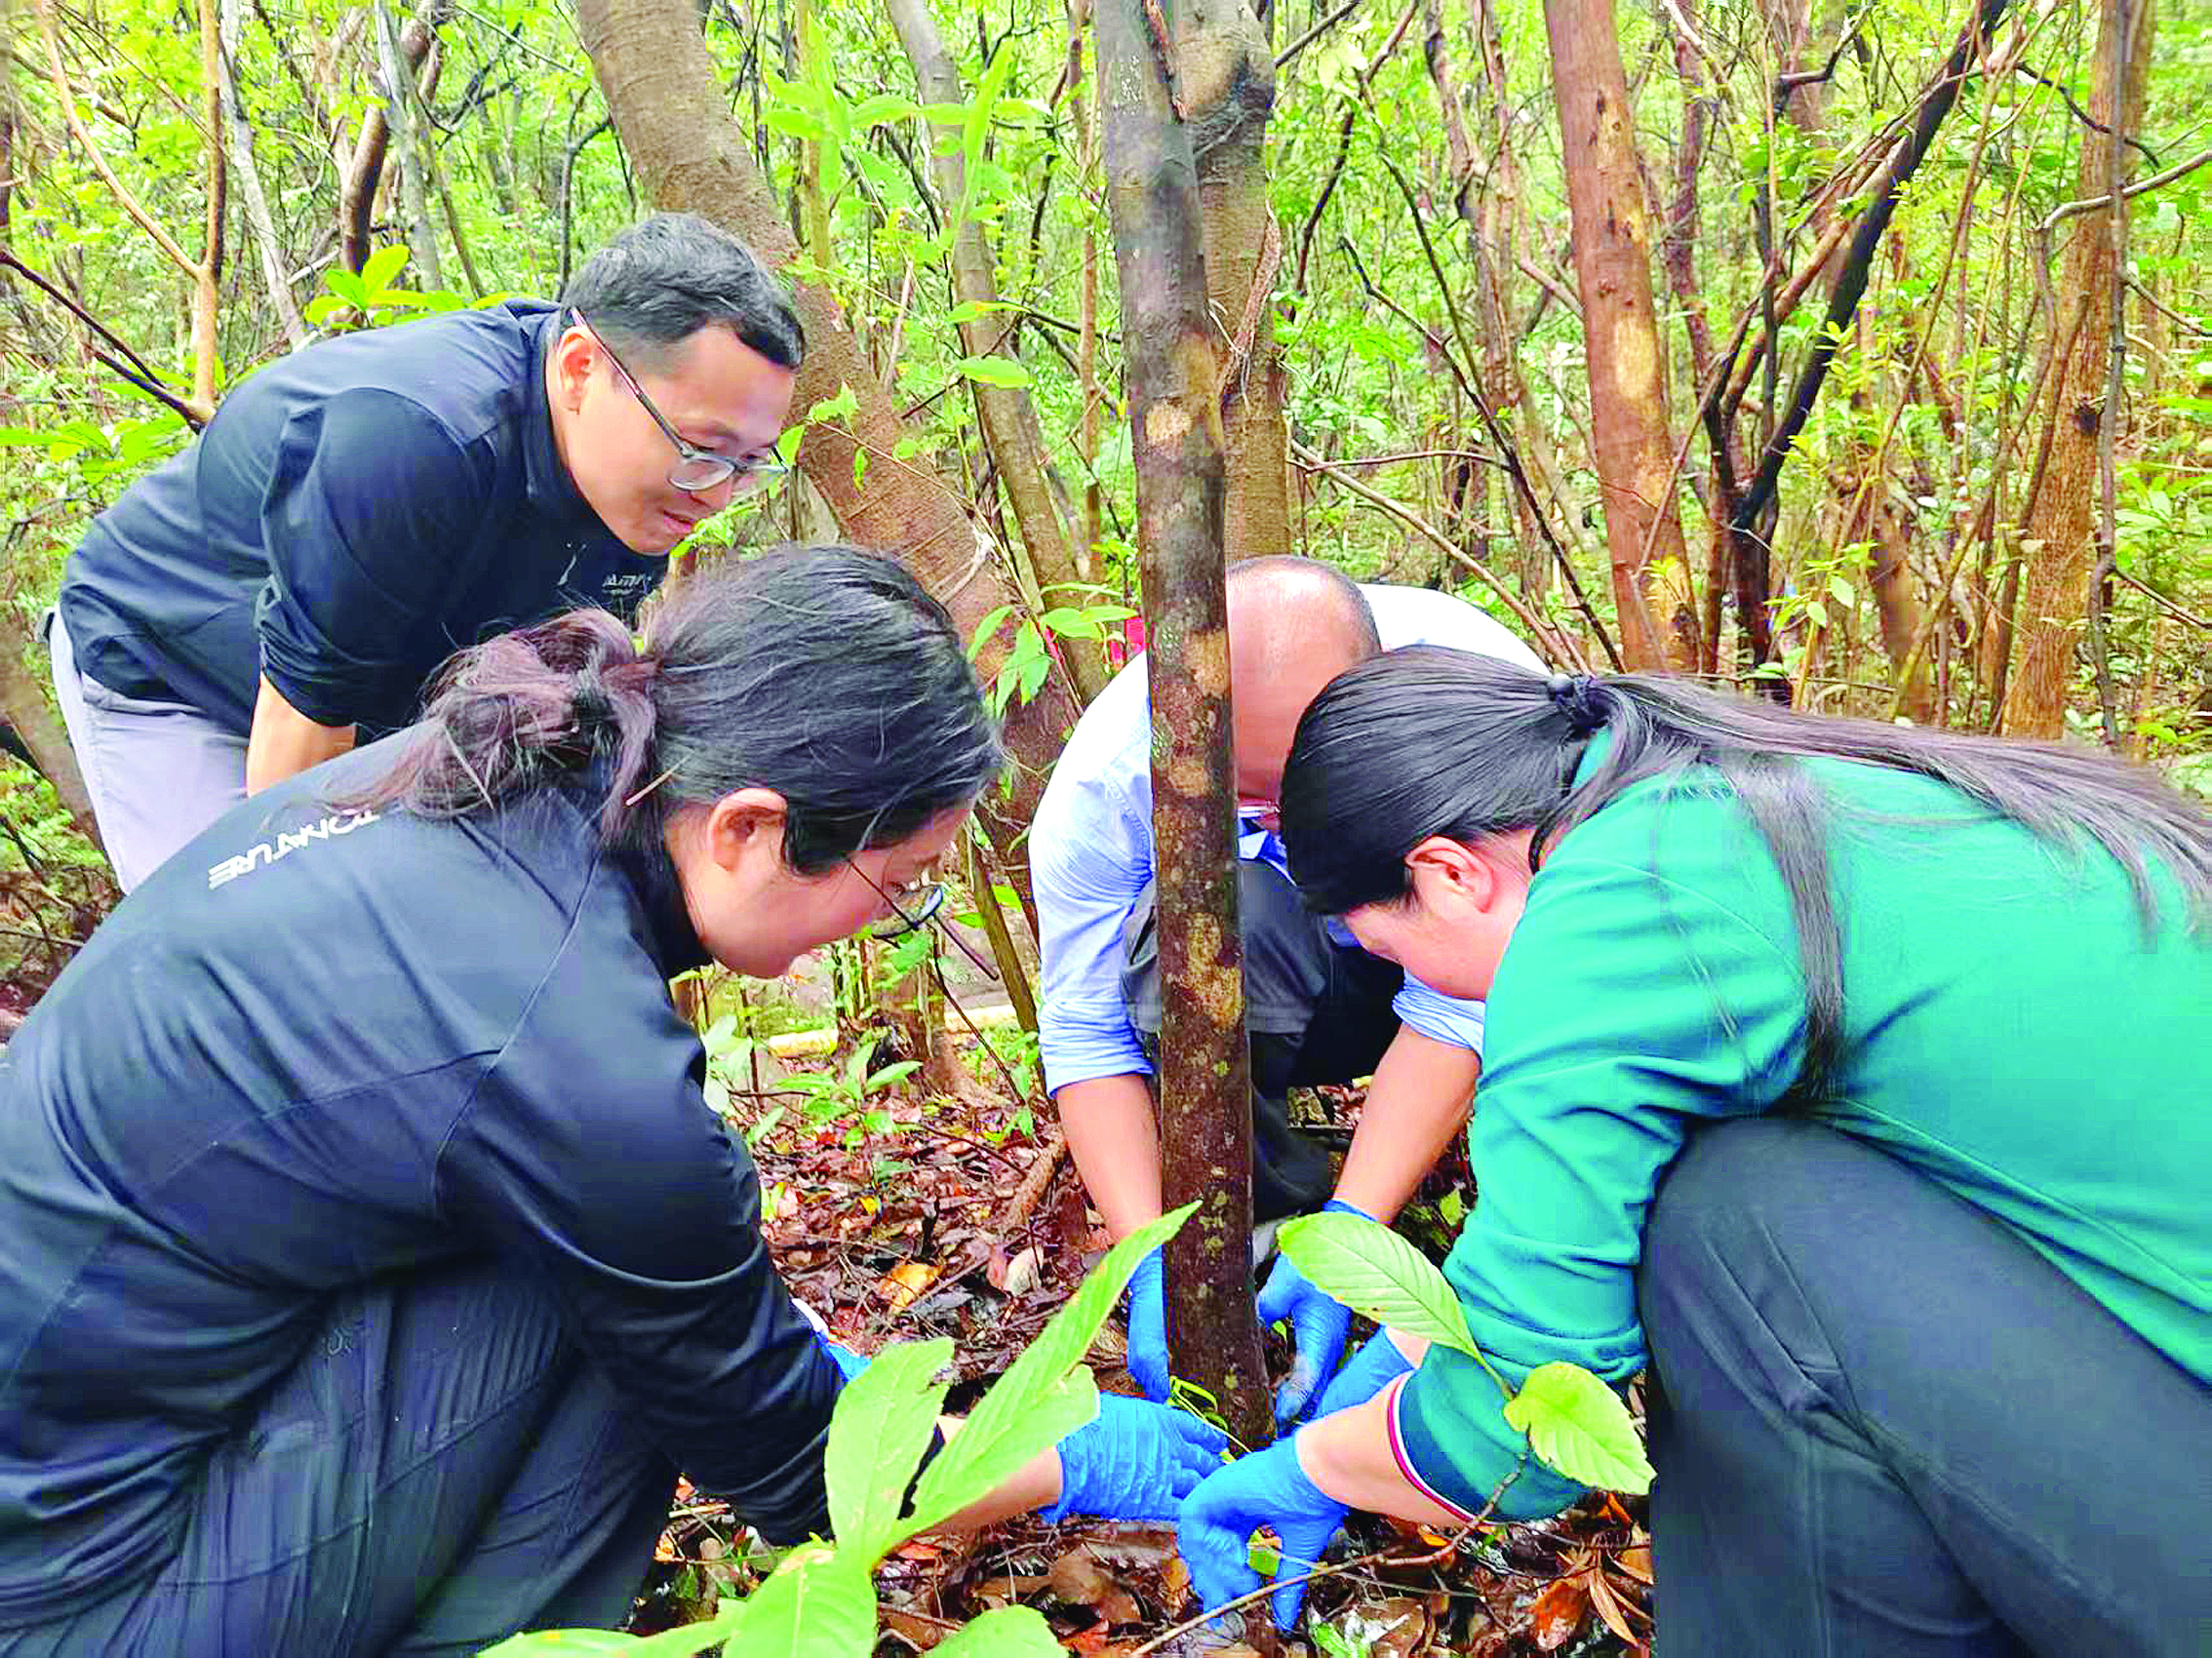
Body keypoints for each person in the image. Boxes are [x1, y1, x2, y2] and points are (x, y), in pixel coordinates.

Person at [0, 549, 1223, 1656]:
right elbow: (804, 1469)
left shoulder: (468, 773)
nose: (888, 916)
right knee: (631, 1332)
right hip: (83, 1587)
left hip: (80, 1440)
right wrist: (1064, 1460)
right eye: (895, 882)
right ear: (750, 826)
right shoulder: (568, 1044)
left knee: (645, 1277)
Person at [1177, 648, 2212, 1654]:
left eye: (1387, 948)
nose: (1431, 994)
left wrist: (1311, 1463)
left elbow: (1519, 1433)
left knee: (1729, 1217)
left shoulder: (1616, 913)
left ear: (1448, 873)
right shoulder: (1762, 796)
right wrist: (1419, 1340)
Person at [46, 211, 803, 890]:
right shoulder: (412, 442)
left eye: (751, 462)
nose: (718, 494)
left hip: (378, 697)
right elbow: (301, 743)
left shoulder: (641, 489)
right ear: (580, 369)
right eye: (702, 449)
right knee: (241, 957)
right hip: (176, 675)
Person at [1031, 557, 1542, 1422]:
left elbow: (1471, 997)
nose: (1280, 824)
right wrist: (1147, 1255)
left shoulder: (1478, 703)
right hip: (1287, 983)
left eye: (1296, 797)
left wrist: (1354, 1237)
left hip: (1451, 968)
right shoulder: (1111, 774)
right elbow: (1085, 1031)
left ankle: (1353, 1240)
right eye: (1249, 800)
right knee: (1215, 915)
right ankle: (1262, 1238)